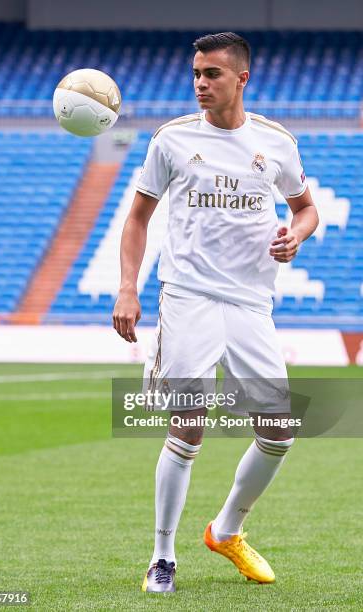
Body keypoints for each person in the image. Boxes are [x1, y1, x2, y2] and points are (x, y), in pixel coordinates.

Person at [113, 31, 318, 593]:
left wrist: (294, 236)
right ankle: (162, 556)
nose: (201, 84)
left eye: (213, 75)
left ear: (241, 79)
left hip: (252, 301)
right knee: (189, 426)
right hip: (188, 296)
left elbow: (305, 208)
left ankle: (226, 529)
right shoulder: (172, 140)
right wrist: (128, 287)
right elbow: (136, 219)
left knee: (279, 431)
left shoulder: (275, 143)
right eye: (196, 74)